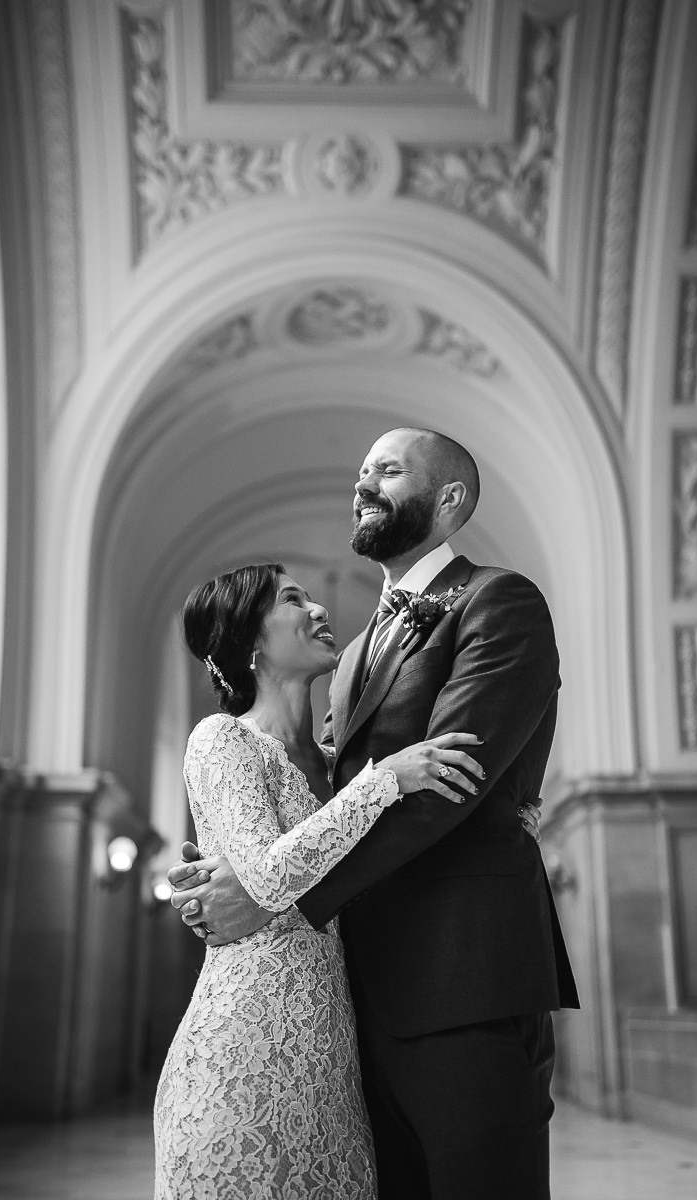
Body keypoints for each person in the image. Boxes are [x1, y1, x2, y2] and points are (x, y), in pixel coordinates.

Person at [170, 427, 579, 1199]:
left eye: (387, 471)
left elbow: (450, 784)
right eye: (360, 471)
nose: (363, 484)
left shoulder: (498, 600)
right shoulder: (352, 655)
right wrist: (226, 870)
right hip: (354, 999)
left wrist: (268, 897)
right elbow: (322, 807)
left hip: (463, 975)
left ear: (449, 498)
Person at [154, 561, 489, 1199]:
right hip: (241, 1048)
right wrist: (384, 781)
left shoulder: (338, 767)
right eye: (291, 599)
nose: (317, 609)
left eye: (311, 597)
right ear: (251, 640)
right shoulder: (222, 740)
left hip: (333, 1055)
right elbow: (266, 875)